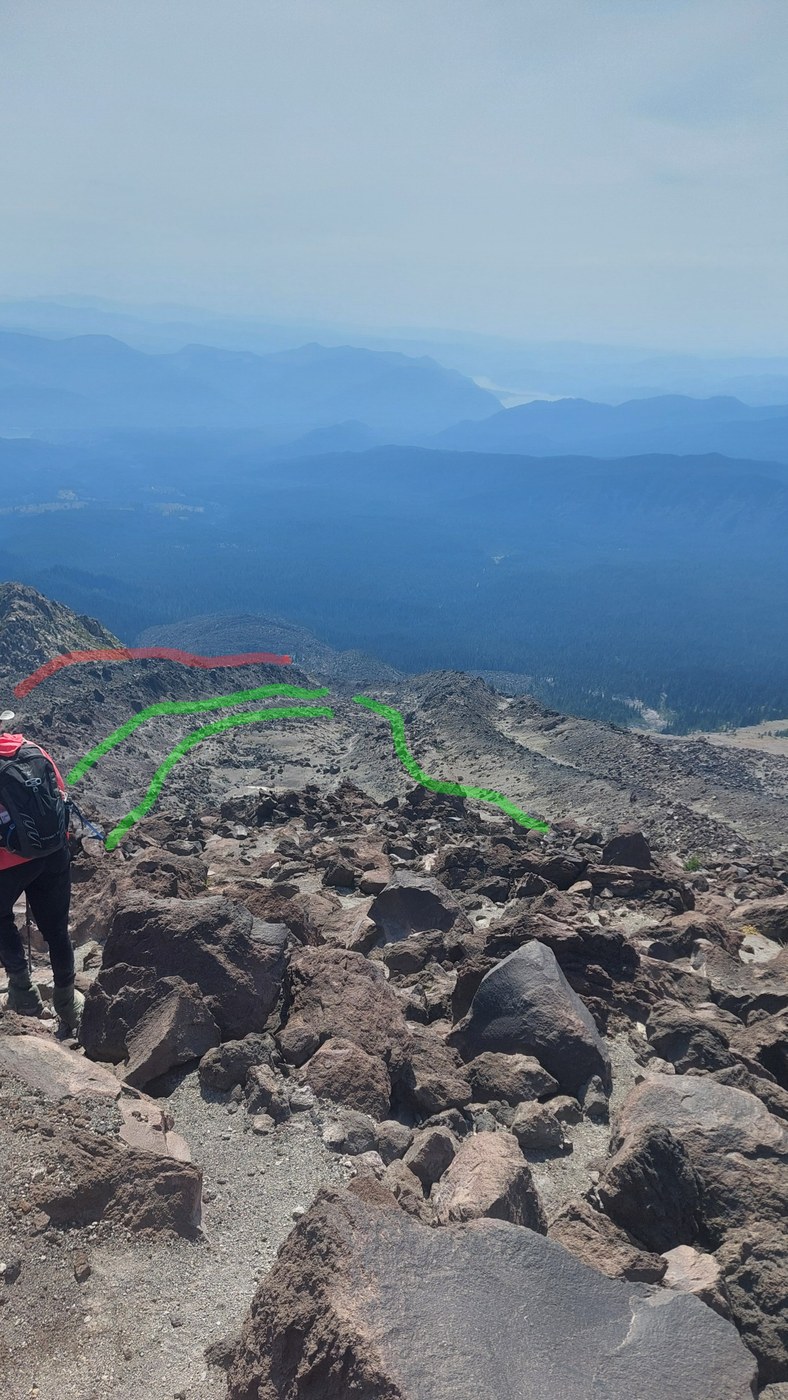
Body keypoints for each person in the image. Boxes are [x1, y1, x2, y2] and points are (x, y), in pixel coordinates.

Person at [0, 710, 84, 1032]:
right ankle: (68, 1003)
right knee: (57, 930)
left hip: (6, 864)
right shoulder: (33, 750)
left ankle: (23, 993)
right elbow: (58, 797)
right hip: (52, 855)